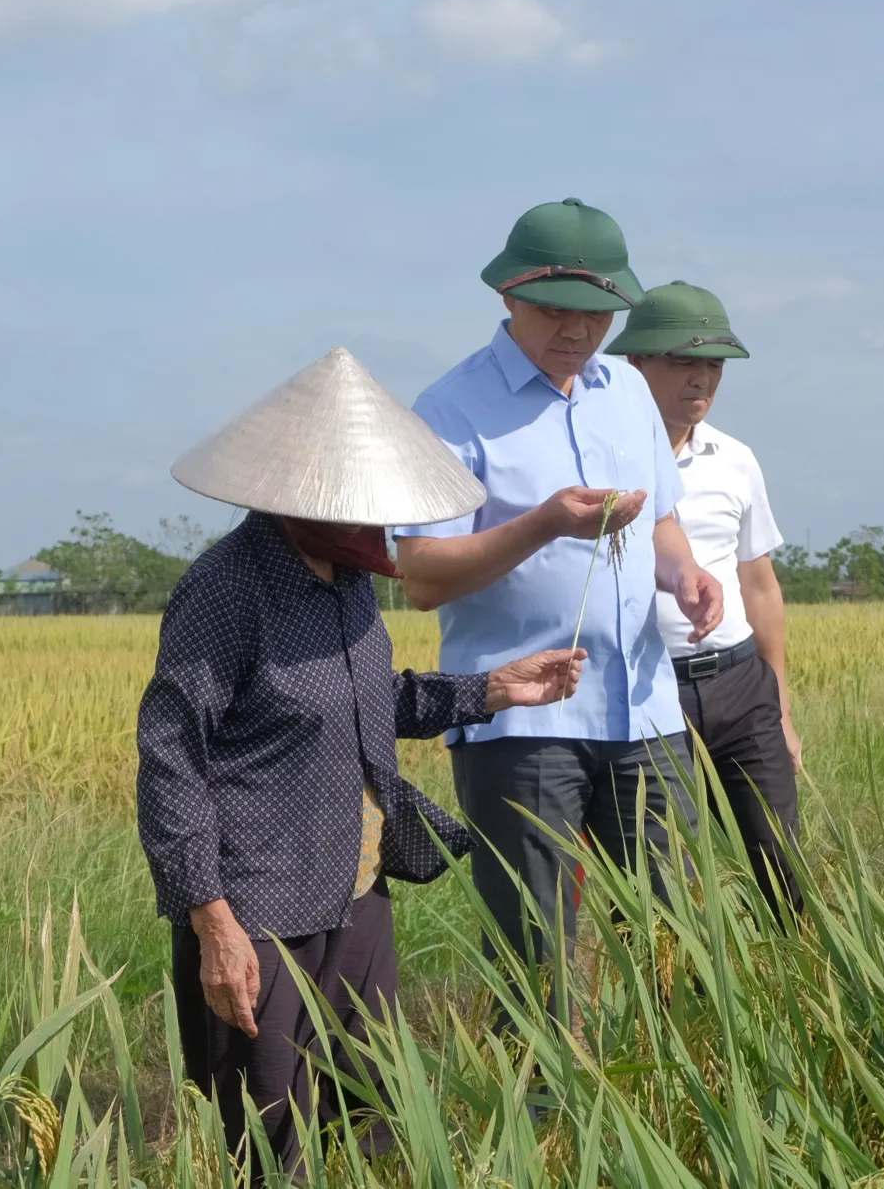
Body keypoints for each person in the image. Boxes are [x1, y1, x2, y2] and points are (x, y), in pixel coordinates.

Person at [136, 347, 586, 1170]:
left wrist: (491, 691)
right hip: (260, 914)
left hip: (358, 896)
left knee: (369, 1122)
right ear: (303, 495)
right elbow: (171, 758)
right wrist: (214, 922)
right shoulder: (227, 589)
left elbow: (371, 703)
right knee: (275, 1146)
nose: (381, 522)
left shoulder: (345, 580)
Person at [392, 198, 724, 1016]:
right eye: (554, 310)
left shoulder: (625, 396)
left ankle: (669, 1100)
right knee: (535, 949)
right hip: (522, 721)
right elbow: (422, 573)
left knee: (672, 931)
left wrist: (683, 575)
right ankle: (540, 1123)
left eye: (597, 314)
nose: (576, 332)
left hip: (646, 712)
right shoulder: (450, 409)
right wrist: (543, 523)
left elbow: (665, 523)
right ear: (507, 296)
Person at [608, 281, 804, 921]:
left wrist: (781, 708)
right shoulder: (600, 458)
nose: (702, 379)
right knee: (661, 888)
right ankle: (671, 1016)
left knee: (785, 870)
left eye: (713, 365)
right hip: (642, 691)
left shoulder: (736, 459)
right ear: (636, 363)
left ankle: (803, 998)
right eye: (683, 362)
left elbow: (760, 585)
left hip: (740, 686)